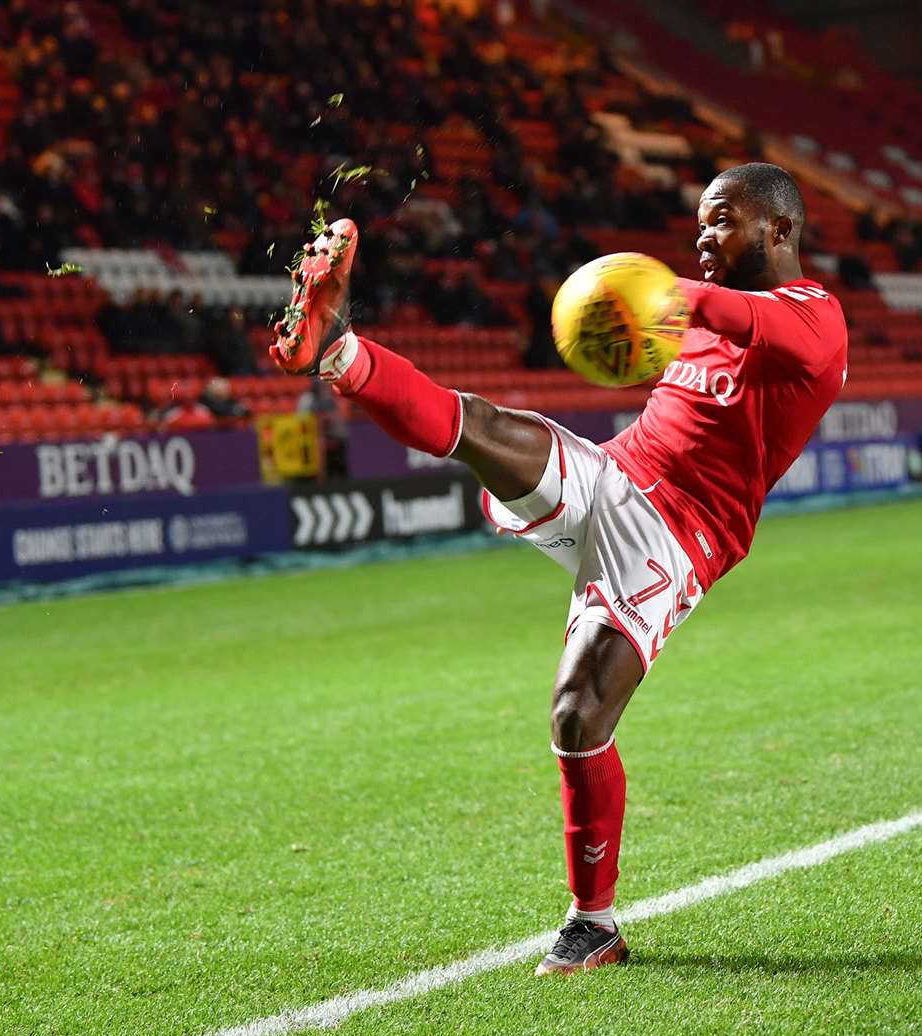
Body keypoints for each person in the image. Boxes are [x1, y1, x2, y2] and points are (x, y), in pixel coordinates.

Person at [270, 163, 848, 975]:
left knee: (578, 713)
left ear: (780, 231)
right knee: (487, 426)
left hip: (679, 533)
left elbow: (753, 324)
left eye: (722, 221)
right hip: (614, 472)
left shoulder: (815, 316)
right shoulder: (697, 320)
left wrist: (648, 291)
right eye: (698, 225)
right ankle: (340, 353)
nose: (703, 238)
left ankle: (594, 923)